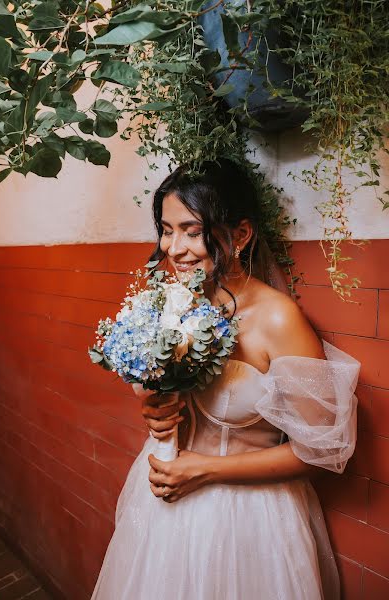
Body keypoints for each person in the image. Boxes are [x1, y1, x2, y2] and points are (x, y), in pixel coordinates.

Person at [91, 159, 359, 600]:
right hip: (163, 500)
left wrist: (208, 469)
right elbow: (169, 391)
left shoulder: (276, 319)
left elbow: (321, 450)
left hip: (245, 519)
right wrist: (156, 410)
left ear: (240, 235)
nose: (174, 247)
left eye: (192, 231)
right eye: (167, 229)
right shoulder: (171, 303)